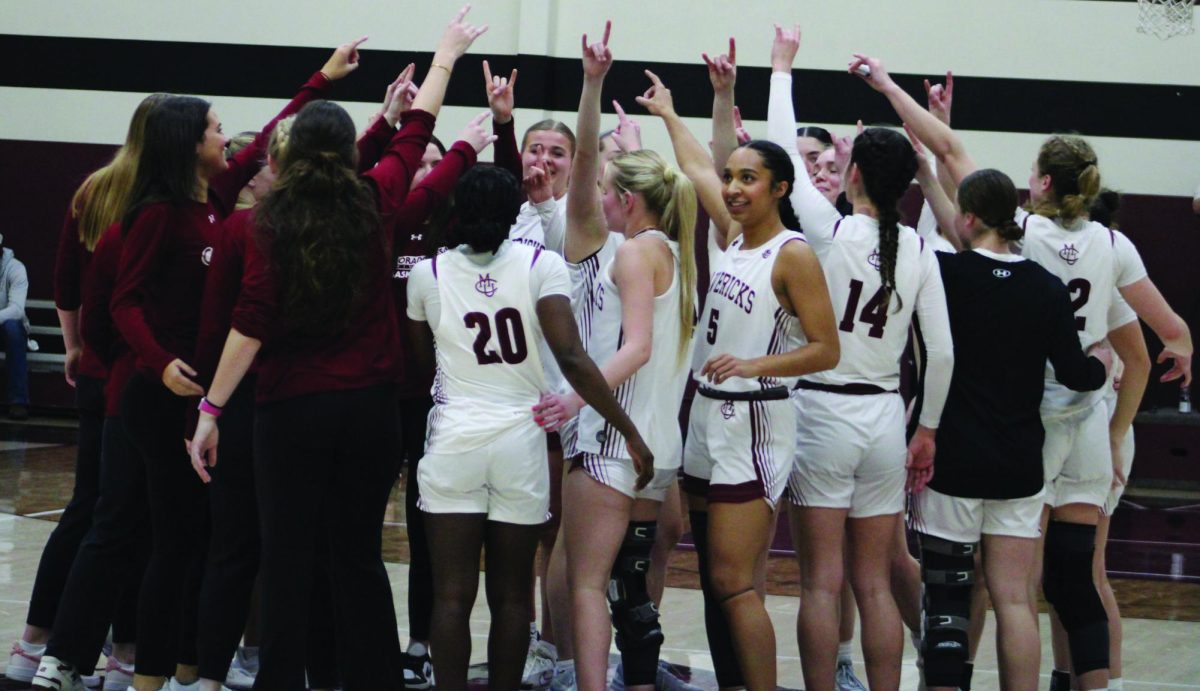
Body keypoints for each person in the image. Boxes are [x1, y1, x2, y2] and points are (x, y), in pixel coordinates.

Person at [857, 50, 1193, 691]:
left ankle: (950, 676)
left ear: (1038, 185)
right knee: (1080, 578)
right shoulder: (1115, 244)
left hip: (1028, 422)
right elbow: (1168, 335)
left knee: (996, 579)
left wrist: (887, 87)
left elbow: (949, 150)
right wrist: (1154, 379)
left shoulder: (1025, 240)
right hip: (1089, 422)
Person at [187, 10, 485, 690]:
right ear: (351, 153)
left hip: (291, 410)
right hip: (371, 411)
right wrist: (447, 54)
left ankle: (282, 680)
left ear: (285, 158)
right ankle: (373, 678)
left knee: (287, 556)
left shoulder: (268, 221)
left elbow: (250, 323)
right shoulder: (375, 196)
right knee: (357, 557)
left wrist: (210, 410)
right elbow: (420, 129)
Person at [406, 164, 654, 691]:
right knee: (513, 594)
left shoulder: (426, 274)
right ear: (512, 210)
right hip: (520, 438)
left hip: (455, 435)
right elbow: (571, 356)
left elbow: (420, 368)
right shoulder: (543, 264)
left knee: (451, 594)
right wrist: (628, 430)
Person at [641, 69, 840, 691]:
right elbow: (700, 166)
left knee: (732, 583)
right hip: (707, 415)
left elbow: (826, 349)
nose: (731, 188)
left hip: (755, 419)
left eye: (748, 179)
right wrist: (671, 114)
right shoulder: (732, 236)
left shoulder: (794, 253)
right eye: (733, 178)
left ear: (780, 189)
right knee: (718, 580)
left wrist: (755, 365)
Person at [528, 23, 697, 691]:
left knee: (587, 582)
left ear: (623, 199)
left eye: (602, 189)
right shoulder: (674, 251)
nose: (589, 195)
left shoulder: (626, 250)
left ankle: (586, 679)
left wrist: (575, 398)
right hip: (662, 440)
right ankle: (636, 678)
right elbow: (595, 165)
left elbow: (637, 346)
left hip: (610, 432)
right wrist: (593, 89)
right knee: (631, 583)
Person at [924, 167, 1111, 690]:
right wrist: (1102, 362)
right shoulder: (1047, 288)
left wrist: (924, 171)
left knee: (948, 601)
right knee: (1015, 600)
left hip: (956, 461)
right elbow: (1076, 374)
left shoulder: (947, 274)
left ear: (969, 217)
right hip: (1021, 463)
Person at [7, 93, 167, 691]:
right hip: (137, 374)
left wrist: (73, 348)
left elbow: (66, 285)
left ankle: (35, 642)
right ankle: (120, 651)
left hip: (98, 368)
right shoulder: (156, 201)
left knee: (92, 509)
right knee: (128, 515)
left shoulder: (94, 189)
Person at [0, 234, 30, 420]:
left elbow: (17, 310)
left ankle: (18, 401)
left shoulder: (15, 268)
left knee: (13, 328)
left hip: (7, 326)